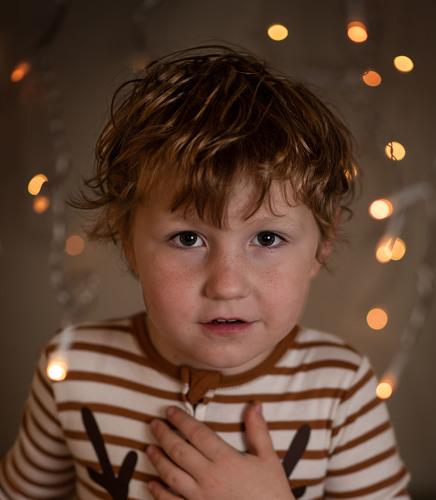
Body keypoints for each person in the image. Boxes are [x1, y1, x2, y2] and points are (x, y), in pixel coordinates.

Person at [0, 44, 411, 499]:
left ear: (322, 244)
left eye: (267, 239)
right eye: (188, 239)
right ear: (127, 241)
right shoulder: (73, 369)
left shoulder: (340, 388)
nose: (227, 285)